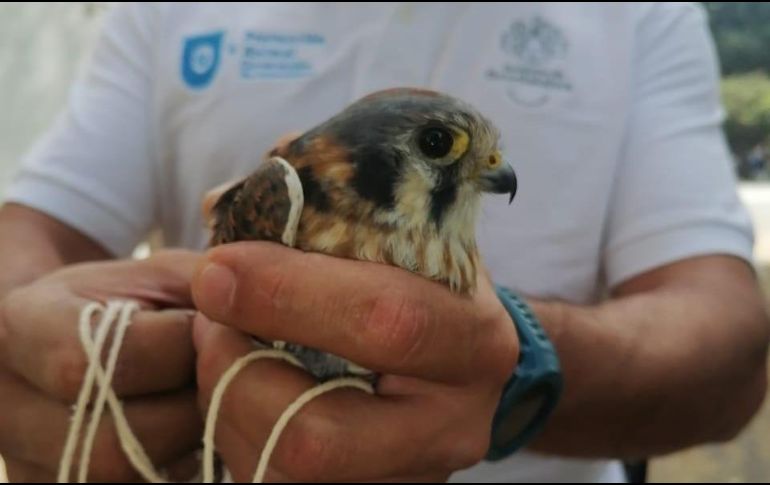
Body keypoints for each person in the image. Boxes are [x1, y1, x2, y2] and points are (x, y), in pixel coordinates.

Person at [0, 2, 768, 482]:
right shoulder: (163, 12)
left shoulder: (642, 17)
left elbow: (731, 345)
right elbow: (29, 230)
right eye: (449, 149)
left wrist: (514, 361)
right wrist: (55, 351)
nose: (494, 173)